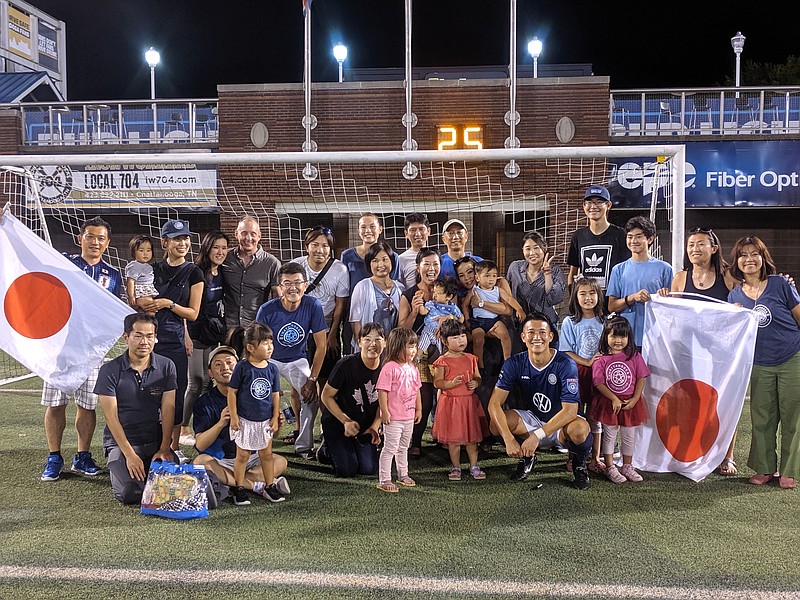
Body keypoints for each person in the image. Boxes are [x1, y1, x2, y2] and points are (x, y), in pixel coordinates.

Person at [40, 216, 123, 482]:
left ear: (107, 243)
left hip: (92, 350)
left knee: (87, 405)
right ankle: (54, 456)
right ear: (80, 238)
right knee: (56, 403)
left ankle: (82, 455)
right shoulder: (64, 265)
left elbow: (113, 312)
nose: (95, 242)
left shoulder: (113, 275)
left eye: (101, 238)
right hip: (60, 347)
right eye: (90, 236)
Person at [488, 313, 593, 490]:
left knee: (580, 430)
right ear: (523, 337)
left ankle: (579, 464)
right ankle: (527, 456)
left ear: (550, 336)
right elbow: (494, 404)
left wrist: (536, 436)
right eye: (531, 332)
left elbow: (570, 411)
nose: (537, 337)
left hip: (561, 424)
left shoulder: (565, 363)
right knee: (495, 424)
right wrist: (508, 439)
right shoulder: (515, 363)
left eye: (542, 332)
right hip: (534, 418)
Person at [727, 236, 800, 490]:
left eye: (754, 254)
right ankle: (765, 468)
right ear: (736, 261)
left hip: (792, 357)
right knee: (762, 418)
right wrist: (734, 313)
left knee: (793, 417)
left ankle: (790, 470)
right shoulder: (734, 295)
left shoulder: (780, 284)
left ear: (762, 257)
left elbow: (798, 316)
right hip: (758, 363)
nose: (749, 259)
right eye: (743, 255)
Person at [667, 227, 739, 475]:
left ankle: (727, 456)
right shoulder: (680, 278)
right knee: (689, 403)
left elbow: (748, 297)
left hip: (720, 353)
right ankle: (690, 452)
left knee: (725, 401)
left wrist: (740, 306)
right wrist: (664, 299)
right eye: (691, 245)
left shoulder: (728, 277)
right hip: (688, 352)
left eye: (700, 244)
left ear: (714, 248)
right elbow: (672, 317)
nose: (694, 249)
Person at [94, 313, 176, 505]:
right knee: (131, 493)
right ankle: (121, 468)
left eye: (149, 336)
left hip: (153, 441)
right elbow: (111, 417)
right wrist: (130, 455)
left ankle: (146, 469)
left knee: (173, 486)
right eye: (138, 335)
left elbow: (168, 409)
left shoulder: (167, 366)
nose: (144, 341)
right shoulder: (109, 370)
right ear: (126, 337)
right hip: (122, 444)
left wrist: (165, 448)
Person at [192, 346, 290, 504]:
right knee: (200, 462)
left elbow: (272, 436)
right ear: (210, 373)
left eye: (230, 363)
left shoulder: (256, 394)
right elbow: (201, 445)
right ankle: (257, 485)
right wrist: (221, 423)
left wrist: (277, 425)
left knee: (280, 461)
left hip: (251, 457)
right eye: (218, 364)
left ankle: (237, 485)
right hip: (222, 460)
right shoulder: (204, 402)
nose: (225, 367)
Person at [142, 219, 204, 462]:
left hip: (175, 342)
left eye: (186, 238)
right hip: (149, 341)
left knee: (175, 396)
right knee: (148, 394)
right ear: (164, 242)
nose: (183, 243)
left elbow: (193, 313)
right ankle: (151, 443)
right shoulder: (151, 269)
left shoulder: (194, 271)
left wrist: (169, 303)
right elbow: (141, 301)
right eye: (177, 239)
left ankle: (174, 446)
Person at [255, 262, 327, 459]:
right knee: (256, 395)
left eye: (297, 282)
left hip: (297, 359)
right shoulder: (267, 310)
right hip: (270, 359)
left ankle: (304, 445)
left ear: (305, 285)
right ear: (279, 287)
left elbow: (322, 345)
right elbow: (258, 347)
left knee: (311, 398)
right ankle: (255, 444)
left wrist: (312, 380)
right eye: (287, 283)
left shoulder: (313, 305)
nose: (292, 287)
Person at [288, 226, 349, 445]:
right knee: (298, 384)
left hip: (326, 326)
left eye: (325, 246)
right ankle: (298, 428)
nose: (320, 250)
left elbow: (340, 307)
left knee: (325, 382)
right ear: (307, 247)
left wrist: (332, 335)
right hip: (300, 325)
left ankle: (326, 429)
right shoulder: (297, 266)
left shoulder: (340, 270)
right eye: (315, 245)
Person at [227, 323, 285, 504]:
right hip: (245, 421)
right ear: (250, 347)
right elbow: (232, 392)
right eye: (265, 343)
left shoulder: (272, 369)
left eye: (271, 343)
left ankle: (269, 486)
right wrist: (234, 417)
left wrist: (275, 417)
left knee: (266, 455)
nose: (270, 347)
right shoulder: (242, 368)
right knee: (242, 456)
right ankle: (238, 488)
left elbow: (275, 395)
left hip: (264, 421)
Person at [319, 323, 386, 477]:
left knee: (368, 469)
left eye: (378, 339)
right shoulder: (346, 365)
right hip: (338, 421)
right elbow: (326, 396)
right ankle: (326, 450)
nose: (373, 344)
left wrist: (376, 425)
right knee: (347, 471)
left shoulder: (386, 367)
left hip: (365, 425)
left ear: (385, 342)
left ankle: (353, 445)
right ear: (359, 342)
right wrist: (345, 421)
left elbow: (385, 401)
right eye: (367, 339)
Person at [182, 231, 230, 446]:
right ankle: (183, 428)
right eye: (216, 247)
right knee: (195, 383)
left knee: (207, 382)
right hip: (193, 332)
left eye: (223, 248)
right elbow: (184, 304)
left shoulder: (222, 273)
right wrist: (185, 335)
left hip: (210, 333)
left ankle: (203, 426)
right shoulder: (195, 271)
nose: (220, 252)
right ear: (207, 248)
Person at [590, 316, 650, 484]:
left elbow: (641, 378)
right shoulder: (600, 359)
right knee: (610, 435)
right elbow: (598, 383)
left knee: (629, 436)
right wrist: (614, 398)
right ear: (606, 337)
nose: (618, 340)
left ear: (629, 337)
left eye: (622, 336)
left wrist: (636, 398)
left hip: (629, 403)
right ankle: (610, 467)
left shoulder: (634, 356)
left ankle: (627, 466)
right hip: (609, 404)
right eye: (614, 336)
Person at [397, 248, 441, 458]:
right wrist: (415, 311)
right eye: (427, 264)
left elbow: (459, 318)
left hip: (443, 352)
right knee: (422, 397)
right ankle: (415, 442)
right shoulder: (409, 294)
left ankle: (444, 438)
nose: (432, 269)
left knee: (445, 397)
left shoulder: (446, 290)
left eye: (435, 264)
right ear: (418, 268)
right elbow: (401, 330)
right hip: (419, 355)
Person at [431, 320, 488, 481]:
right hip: (451, 404)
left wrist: (475, 382)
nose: (461, 340)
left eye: (463, 336)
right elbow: (437, 382)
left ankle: (474, 465)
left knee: (472, 438)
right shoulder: (442, 361)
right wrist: (450, 384)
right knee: (453, 439)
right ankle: (456, 467)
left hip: (468, 403)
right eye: (455, 337)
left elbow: (478, 377)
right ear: (445, 341)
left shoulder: (471, 358)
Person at [559, 277, 606, 473]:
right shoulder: (570, 322)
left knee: (596, 417)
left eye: (592, 293)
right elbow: (565, 350)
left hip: (600, 375)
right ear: (575, 297)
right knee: (574, 415)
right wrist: (586, 362)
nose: (588, 298)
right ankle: (574, 457)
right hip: (577, 372)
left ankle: (595, 458)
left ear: (599, 295)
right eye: (583, 294)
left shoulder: (606, 320)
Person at [606, 216, 673, 349]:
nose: (633, 241)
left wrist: (664, 298)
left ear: (650, 239)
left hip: (656, 338)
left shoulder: (665, 268)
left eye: (638, 236)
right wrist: (632, 298)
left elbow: (673, 307)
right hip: (626, 339)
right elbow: (612, 306)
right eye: (630, 237)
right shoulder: (618, 269)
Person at [375, 328, 422, 492]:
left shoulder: (413, 368)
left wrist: (419, 409)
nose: (413, 350)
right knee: (390, 448)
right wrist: (384, 412)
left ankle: (403, 474)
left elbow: (417, 390)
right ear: (397, 347)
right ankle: (385, 478)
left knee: (403, 447)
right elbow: (382, 391)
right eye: (409, 346)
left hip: (408, 416)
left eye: (414, 346)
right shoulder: (389, 368)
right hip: (394, 417)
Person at [567, 184, 630, 294]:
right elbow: (573, 273)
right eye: (589, 202)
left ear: (608, 205)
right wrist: (574, 300)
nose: (593, 206)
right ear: (584, 206)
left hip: (612, 304)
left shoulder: (621, 235)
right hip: (587, 305)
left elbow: (628, 271)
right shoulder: (578, 236)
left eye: (599, 202)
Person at [222, 215, 281, 329]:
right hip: (228, 328)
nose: (248, 238)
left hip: (258, 328)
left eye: (253, 234)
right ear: (236, 234)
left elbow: (277, 298)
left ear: (259, 236)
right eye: (244, 233)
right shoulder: (225, 258)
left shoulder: (272, 263)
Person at [349, 241, 405, 350]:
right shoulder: (362, 286)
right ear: (369, 264)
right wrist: (364, 348)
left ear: (391, 261)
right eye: (375, 261)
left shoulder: (400, 288)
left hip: (393, 349)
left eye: (385, 259)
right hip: (371, 349)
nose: (380, 265)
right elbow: (355, 321)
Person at [462, 260, 517, 368]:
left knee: (505, 335)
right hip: (478, 321)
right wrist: (467, 320)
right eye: (487, 276)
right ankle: (479, 367)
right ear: (477, 278)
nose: (491, 279)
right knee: (478, 340)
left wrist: (519, 309)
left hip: (494, 320)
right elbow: (464, 305)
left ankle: (508, 362)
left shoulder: (498, 289)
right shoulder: (474, 290)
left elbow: (509, 301)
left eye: (494, 275)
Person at [505, 231, 566, 327]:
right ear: (522, 250)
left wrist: (547, 275)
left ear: (544, 248)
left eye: (536, 248)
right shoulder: (515, 267)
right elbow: (506, 292)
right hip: (518, 324)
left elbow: (555, 298)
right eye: (527, 249)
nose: (532, 253)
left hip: (545, 325)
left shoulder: (555, 271)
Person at [341, 212, 401, 292]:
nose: (368, 230)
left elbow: (394, 288)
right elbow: (343, 289)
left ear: (380, 229)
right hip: (356, 303)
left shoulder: (392, 257)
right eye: (363, 227)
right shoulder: (347, 256)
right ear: (358, 231)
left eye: (372, 226)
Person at [417, 275, 463, 356]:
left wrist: (451, 318)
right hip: (429, 330)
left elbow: (461, 318)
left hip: (443, 334)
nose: (434, 295)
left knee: (442, 353)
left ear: (449, 296)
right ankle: (415, 359)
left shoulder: (452, 308)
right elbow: (423, 311)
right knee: (421, 346)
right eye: (434, 291)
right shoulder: (431, 304)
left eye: (438, 293)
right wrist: (420, 302)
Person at [124, 234, 159, 311]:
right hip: (139, 294)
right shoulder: (134, 266)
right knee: (151, 310)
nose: (145, 253)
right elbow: (130, 282)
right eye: (141, 250)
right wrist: (132, 296)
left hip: (148, 293)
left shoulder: (149, 266)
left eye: (148, 250)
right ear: (134, 252)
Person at [397, 213, 431, 289]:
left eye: (421, 229)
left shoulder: (436, 257)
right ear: (406, 233)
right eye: (413, 230)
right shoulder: (400, 259)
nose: (418, 234)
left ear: (428, 231)